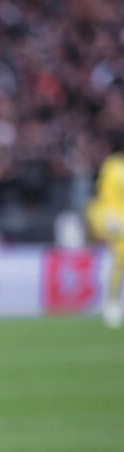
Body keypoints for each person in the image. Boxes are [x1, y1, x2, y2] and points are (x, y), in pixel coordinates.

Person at [87, 133, 124, 329]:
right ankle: (111, 301)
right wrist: (109, 218)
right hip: (118, 222)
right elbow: (105, 195)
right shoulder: (113, 166)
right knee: (118, 261)